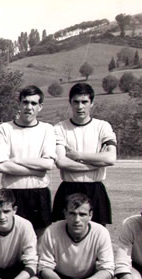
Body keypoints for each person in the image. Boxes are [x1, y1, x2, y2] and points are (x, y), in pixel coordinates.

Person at [0, 85, 57, 238]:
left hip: (39, 193)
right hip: (12, 192)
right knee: (12, 238)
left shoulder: (47, 129)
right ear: (19, 104)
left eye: (34, 103)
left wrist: (17, 160)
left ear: (40, 107)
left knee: (40, 238)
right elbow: (1, 165)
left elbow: (48, 164)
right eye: (25, 102)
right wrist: (36, 170)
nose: (29, 107)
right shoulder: (5, 128)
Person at [52, 82, 116, 226]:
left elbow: (110, 158)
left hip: (95, 189)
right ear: (70, 103)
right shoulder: (59, 128)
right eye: (76, 102)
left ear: (92, 103)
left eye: (84, 102)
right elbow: (61, 162)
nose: (80, 107)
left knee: (97, 238)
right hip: (69, 188)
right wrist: (96, 164)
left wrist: (78, 156)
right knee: (64, 239)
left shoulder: (103, 126)